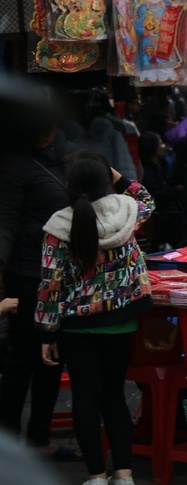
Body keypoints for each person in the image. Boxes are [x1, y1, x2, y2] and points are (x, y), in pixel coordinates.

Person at [36, 150, 154, 485]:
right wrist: (118, 177)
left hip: (76, 328)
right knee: (114, 396)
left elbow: (50, 284)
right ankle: (125, 475)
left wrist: (47, 331)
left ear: (69, 186)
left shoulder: (58, 226)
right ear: (106, 182)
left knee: (86, 398)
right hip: (119, 324)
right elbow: (146, 197)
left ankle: (97, 477)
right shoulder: (126, 212)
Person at [0, 81, 83, 461]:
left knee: (52, 358)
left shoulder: (73, 156)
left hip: (66, 276)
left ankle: (39, 437)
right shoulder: (14, 164)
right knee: (23, 359)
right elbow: (5, 224)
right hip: (27, 274)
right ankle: (9, 440)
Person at [138, 131, 184, 249]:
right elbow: (156, 197)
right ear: (154, 149)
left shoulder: (161, 166)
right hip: (161, 219)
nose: (163, 147)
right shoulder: (147, 172)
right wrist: (175, 190)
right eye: (160, 144)